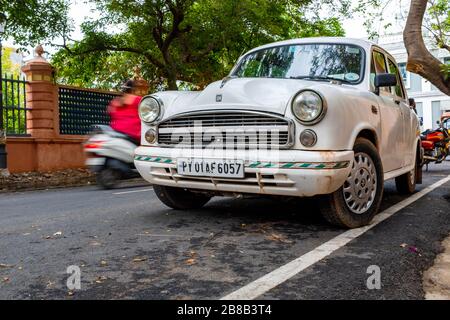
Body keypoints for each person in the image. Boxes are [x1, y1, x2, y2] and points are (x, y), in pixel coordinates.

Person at [108, 79, 142, 144]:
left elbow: (110, 111)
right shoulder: (138, 100)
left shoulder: (116, 101)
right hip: (132, 135)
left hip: (115, 133)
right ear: (133, 89)